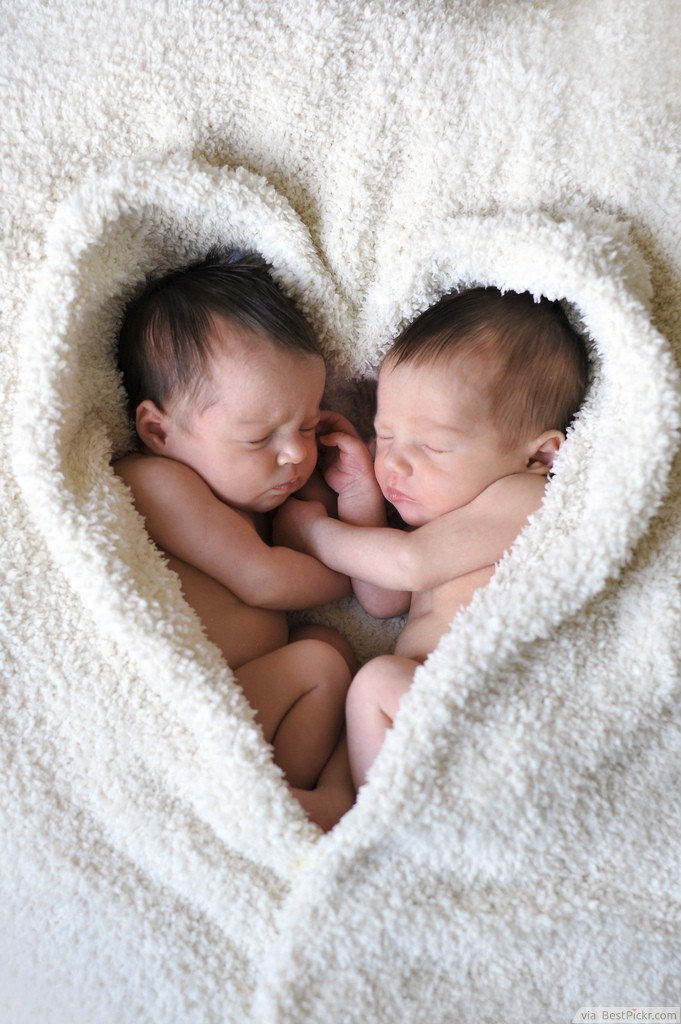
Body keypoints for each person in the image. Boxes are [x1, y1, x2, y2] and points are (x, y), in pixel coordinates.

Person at [273, 286, 590, 788]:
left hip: (487, 716)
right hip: (423, 709)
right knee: (367, 685)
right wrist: (359, 496)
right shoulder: (444, 517)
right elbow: (382, 600)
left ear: (542, 456)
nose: (394, 461)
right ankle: (347, 805)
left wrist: (315, 532)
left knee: (374, 681)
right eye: (387, 435)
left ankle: (369, 826)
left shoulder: (526, 496)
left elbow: (409, 566)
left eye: (432, 445)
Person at [114, 247, 356, 830]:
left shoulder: (260, 494)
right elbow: (267, 578)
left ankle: (296, 795)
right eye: (258, 437)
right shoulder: (157, 483)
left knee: (334, 645)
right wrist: (365, 565)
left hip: (252, 696)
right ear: (159, 430)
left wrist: (350, 494)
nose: (297, 452)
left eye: (306, 423)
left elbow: (314, 536)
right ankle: (294, 805)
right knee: (322, 662)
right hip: (198, 715)